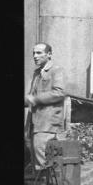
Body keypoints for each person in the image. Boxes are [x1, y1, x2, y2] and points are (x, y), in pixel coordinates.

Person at [25, 43, 66, 173]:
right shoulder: (37, 73)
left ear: (49, 54)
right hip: (35, 122)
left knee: (44, 161)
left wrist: (35, 99)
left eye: (39, 53)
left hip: (48, 123)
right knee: (36, 158)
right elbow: (32, 96)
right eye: (33, 53)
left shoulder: (56, 70)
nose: (35, 56)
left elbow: (59, 93)